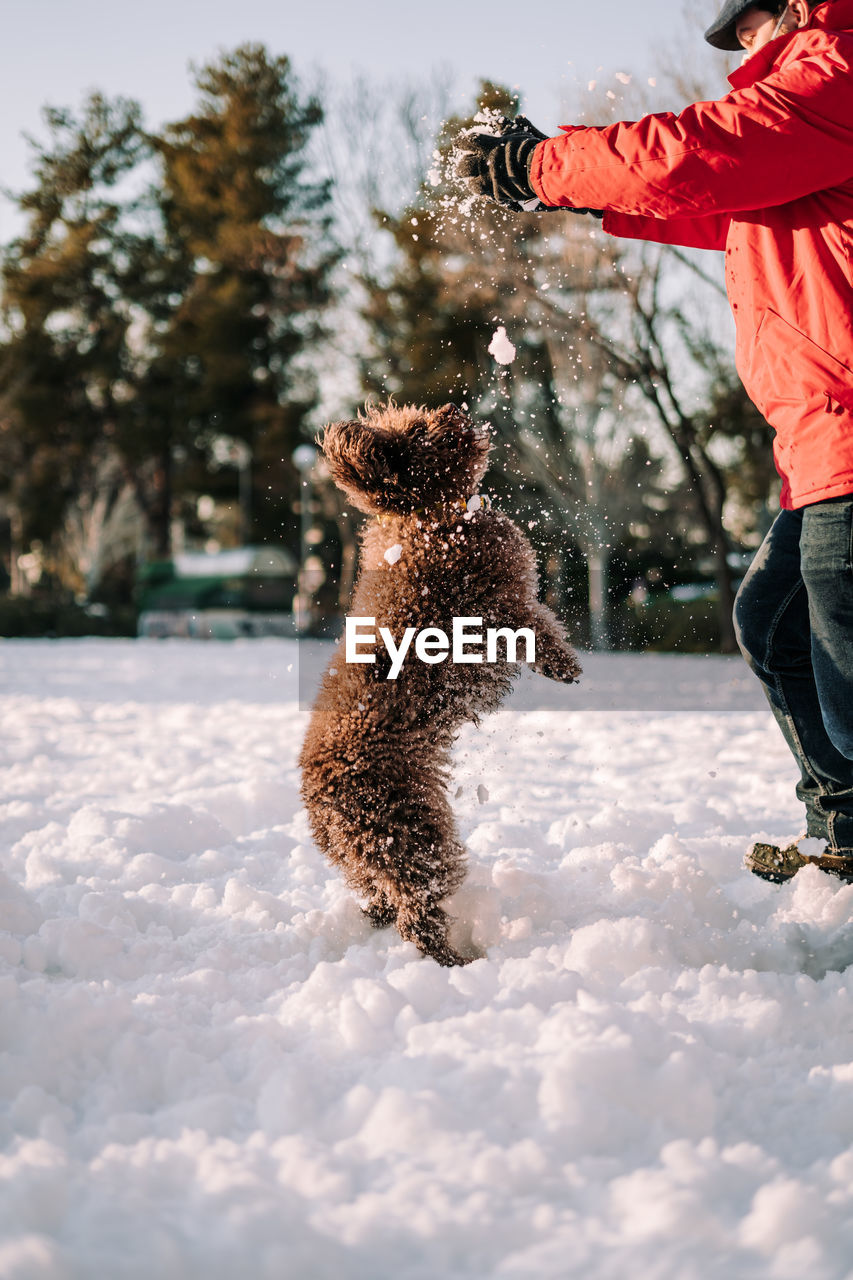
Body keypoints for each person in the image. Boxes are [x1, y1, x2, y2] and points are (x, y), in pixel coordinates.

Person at [455, 0, 853, 884]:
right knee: (776, 625)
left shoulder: (836, 68)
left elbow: (709, 153)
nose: (740, 51)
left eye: (745, 30)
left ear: (790, 6)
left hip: (847, 434)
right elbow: (725, 204)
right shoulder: (812, 108)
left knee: (845, 673)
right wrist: (569, 186)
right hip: (822, 442)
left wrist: (545, 163)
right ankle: (845, 831)